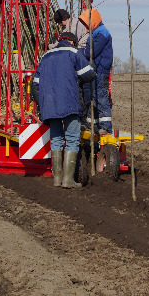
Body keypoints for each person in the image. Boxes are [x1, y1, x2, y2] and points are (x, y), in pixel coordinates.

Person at [31, 31, 96, 188]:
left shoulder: (45, 57)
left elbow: (35, 84)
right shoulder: (73, 53)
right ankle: (68, 180)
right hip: (69, 103)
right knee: (72, 139)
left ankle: (57, 179)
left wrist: (43, 103)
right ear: (72, 42)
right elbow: (88, 74)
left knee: (57, 139)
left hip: (50, 106)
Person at [78, 7, 113, 134]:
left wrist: (79, 52)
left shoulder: (101, 33)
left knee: (100, 96)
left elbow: (91, 52)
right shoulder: (96, 32)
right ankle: (92, 123)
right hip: (95, 70)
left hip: (100, 70)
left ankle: (105, 126)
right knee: (92, 96)